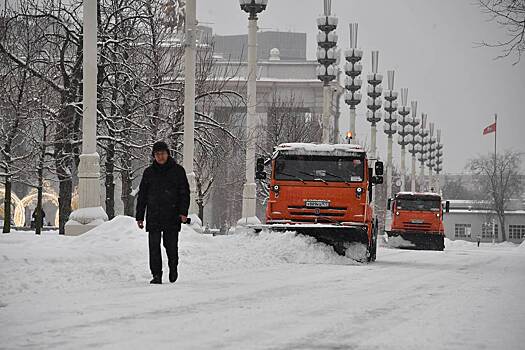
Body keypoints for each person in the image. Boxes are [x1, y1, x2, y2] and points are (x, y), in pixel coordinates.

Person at [136, 141, 190, 284]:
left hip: (172, 214)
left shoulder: (178, 171)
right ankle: (156, 275)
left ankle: (173, 266)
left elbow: (184, 193)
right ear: (154, 156)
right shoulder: (149, 173)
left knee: (170, 245)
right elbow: (142, 195)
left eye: (162, 153)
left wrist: (183, 212)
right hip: (154, 215)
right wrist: (140, 216)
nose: (160, 156)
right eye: (157, 154)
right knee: (154, 247)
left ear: (168, 154)